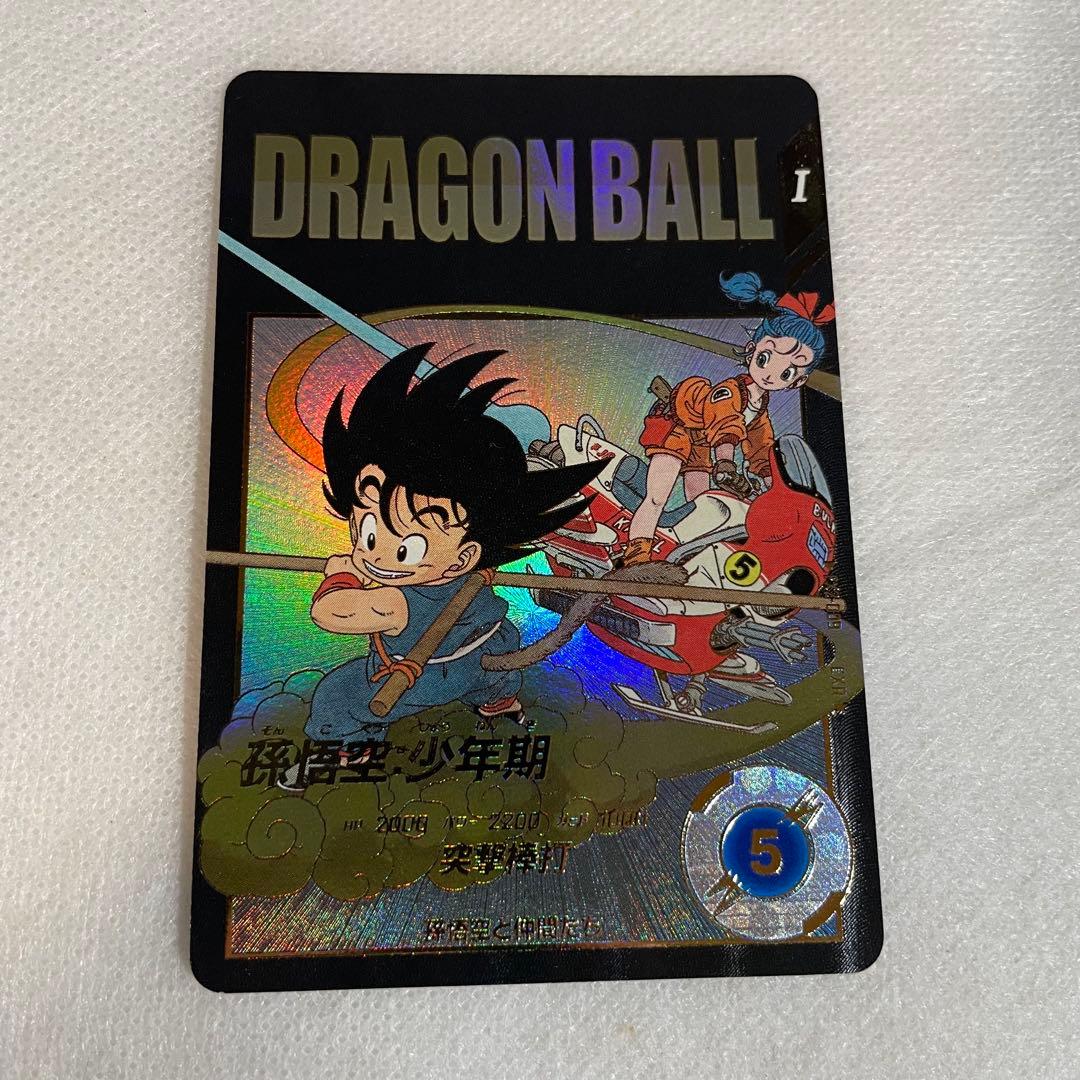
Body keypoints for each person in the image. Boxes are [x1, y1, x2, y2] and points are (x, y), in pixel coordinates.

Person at [305, 343, 605, 740]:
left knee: (336, 694)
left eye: (404, 549)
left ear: (463, 558)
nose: (371, 553)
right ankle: (499, 699)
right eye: (368, 532)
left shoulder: (395, 602)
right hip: (493, 648)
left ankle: (356, 742)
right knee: (492, 670)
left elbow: (331, 614)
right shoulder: (464, 567)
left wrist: (341, 576)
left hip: (432, 673)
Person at [621, 271, 834, 566]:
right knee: (658, 495)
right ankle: (636, 555)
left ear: (797, 381)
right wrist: (725, 464)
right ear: (752, 351)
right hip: (675, 429)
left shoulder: (760, 410)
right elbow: (726, 426)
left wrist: (773, 486)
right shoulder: (730, 391)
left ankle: (684, 559)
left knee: (704, 506)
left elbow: (760, 449)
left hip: (701, 443)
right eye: (765, 359)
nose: (771, 374)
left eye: (786, 373)